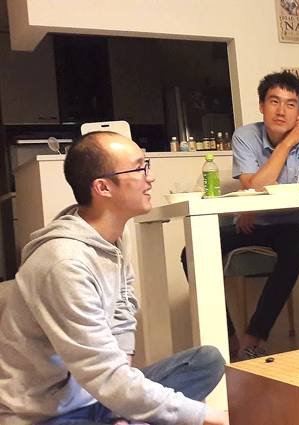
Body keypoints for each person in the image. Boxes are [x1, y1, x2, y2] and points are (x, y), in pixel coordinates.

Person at [0, 131, 229, 425]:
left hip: (95, 396)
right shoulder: (64, 263)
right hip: (46, 415)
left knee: (206, 361)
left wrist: (120, 408)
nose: (150, 177)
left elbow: (122, 315)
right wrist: (216, 418)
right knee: (191, 414)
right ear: (103, 187)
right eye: (139, 168)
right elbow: (103, 374)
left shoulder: (112, 238)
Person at [182, 71, 299, 360]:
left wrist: (255, 198)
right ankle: (228, 339)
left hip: (295, 221)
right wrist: (288, 143)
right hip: (255, 222)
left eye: (290, 104)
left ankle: (254, 338)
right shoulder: (245, 135)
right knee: (192, 252)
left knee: (295, 248)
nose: (281, 111)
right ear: (261, 105)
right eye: (274, 101)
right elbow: (254, 186)